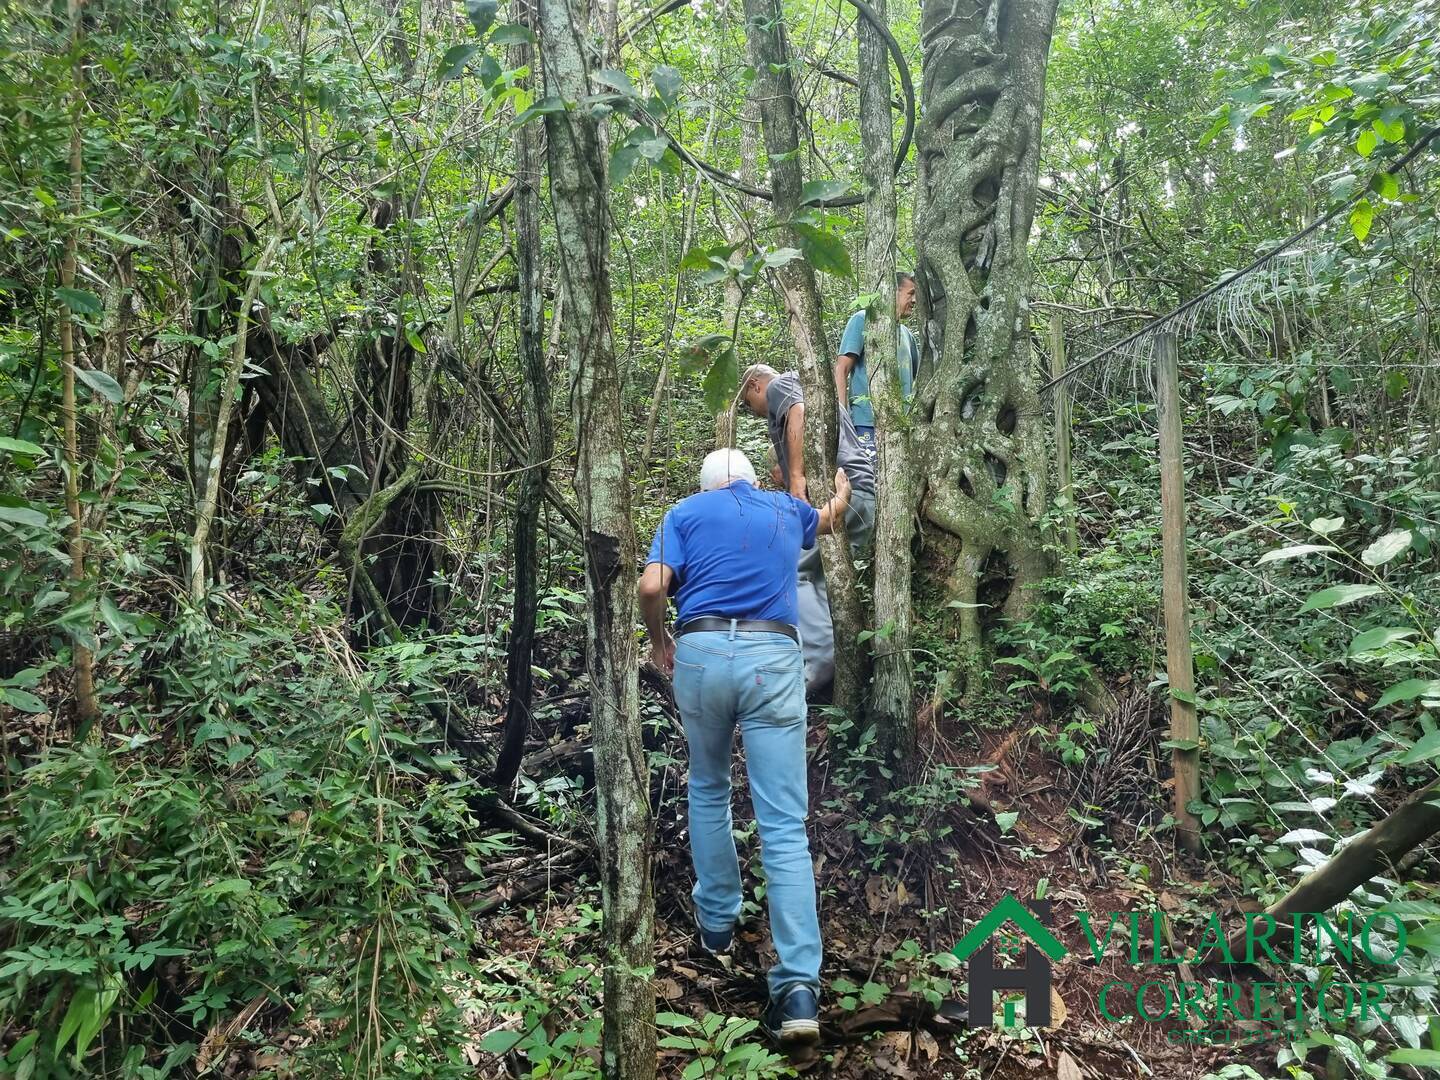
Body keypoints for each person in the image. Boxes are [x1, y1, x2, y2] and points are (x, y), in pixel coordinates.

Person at [638, 448, 852, 1046]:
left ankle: (716, 925)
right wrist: (842, 489)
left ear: (706, 485)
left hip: (701, 654)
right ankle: (798, 990)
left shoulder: (682, 512)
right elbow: (830, 518)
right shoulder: (785, 508)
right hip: (772, 659)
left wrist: (660, 642)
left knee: (707, 787)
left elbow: (652, 585)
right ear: (755, 483)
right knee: (783, 823)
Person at [739, 365, 875, 690]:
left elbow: (797, 412)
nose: (753, 413)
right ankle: (843, 658)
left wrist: (797, 477)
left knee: (789, 566)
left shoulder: (781, 385)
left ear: (755, 385)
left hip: (843, 494)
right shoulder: (809, 386)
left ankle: (819, 664)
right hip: (863, 498)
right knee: (824, 579)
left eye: (746, 403)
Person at [833, 271, 920, 455]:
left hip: (902, 425)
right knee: (870, 479)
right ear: (892, 292)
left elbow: (917, 380)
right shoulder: (863, 319)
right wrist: (842, 417)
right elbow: (841, 369)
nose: (914, 300)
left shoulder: (908, 335)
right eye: (910, 293)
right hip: (866, 422)